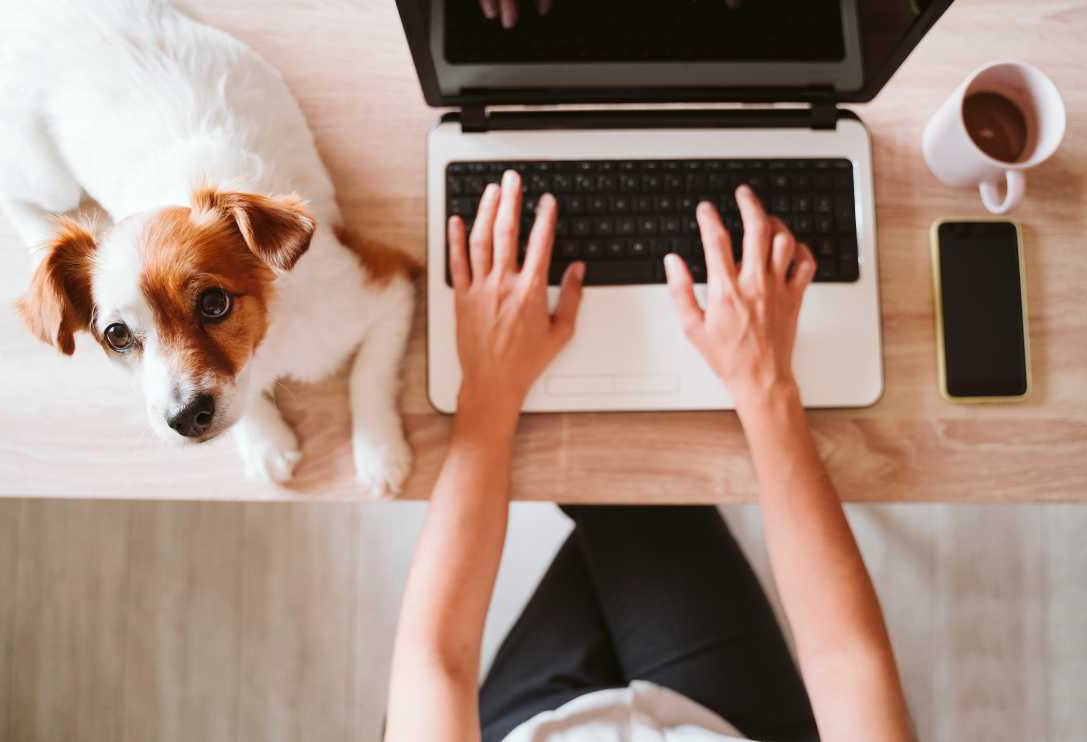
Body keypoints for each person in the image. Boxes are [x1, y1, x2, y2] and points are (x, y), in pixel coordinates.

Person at [384, 170, 915, 741]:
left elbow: (437, 665)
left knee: (590, 450)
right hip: (723, 719)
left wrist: (488, 393)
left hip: (531, 720)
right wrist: (765, 385)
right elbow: (844, 663)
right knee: (626, 479)